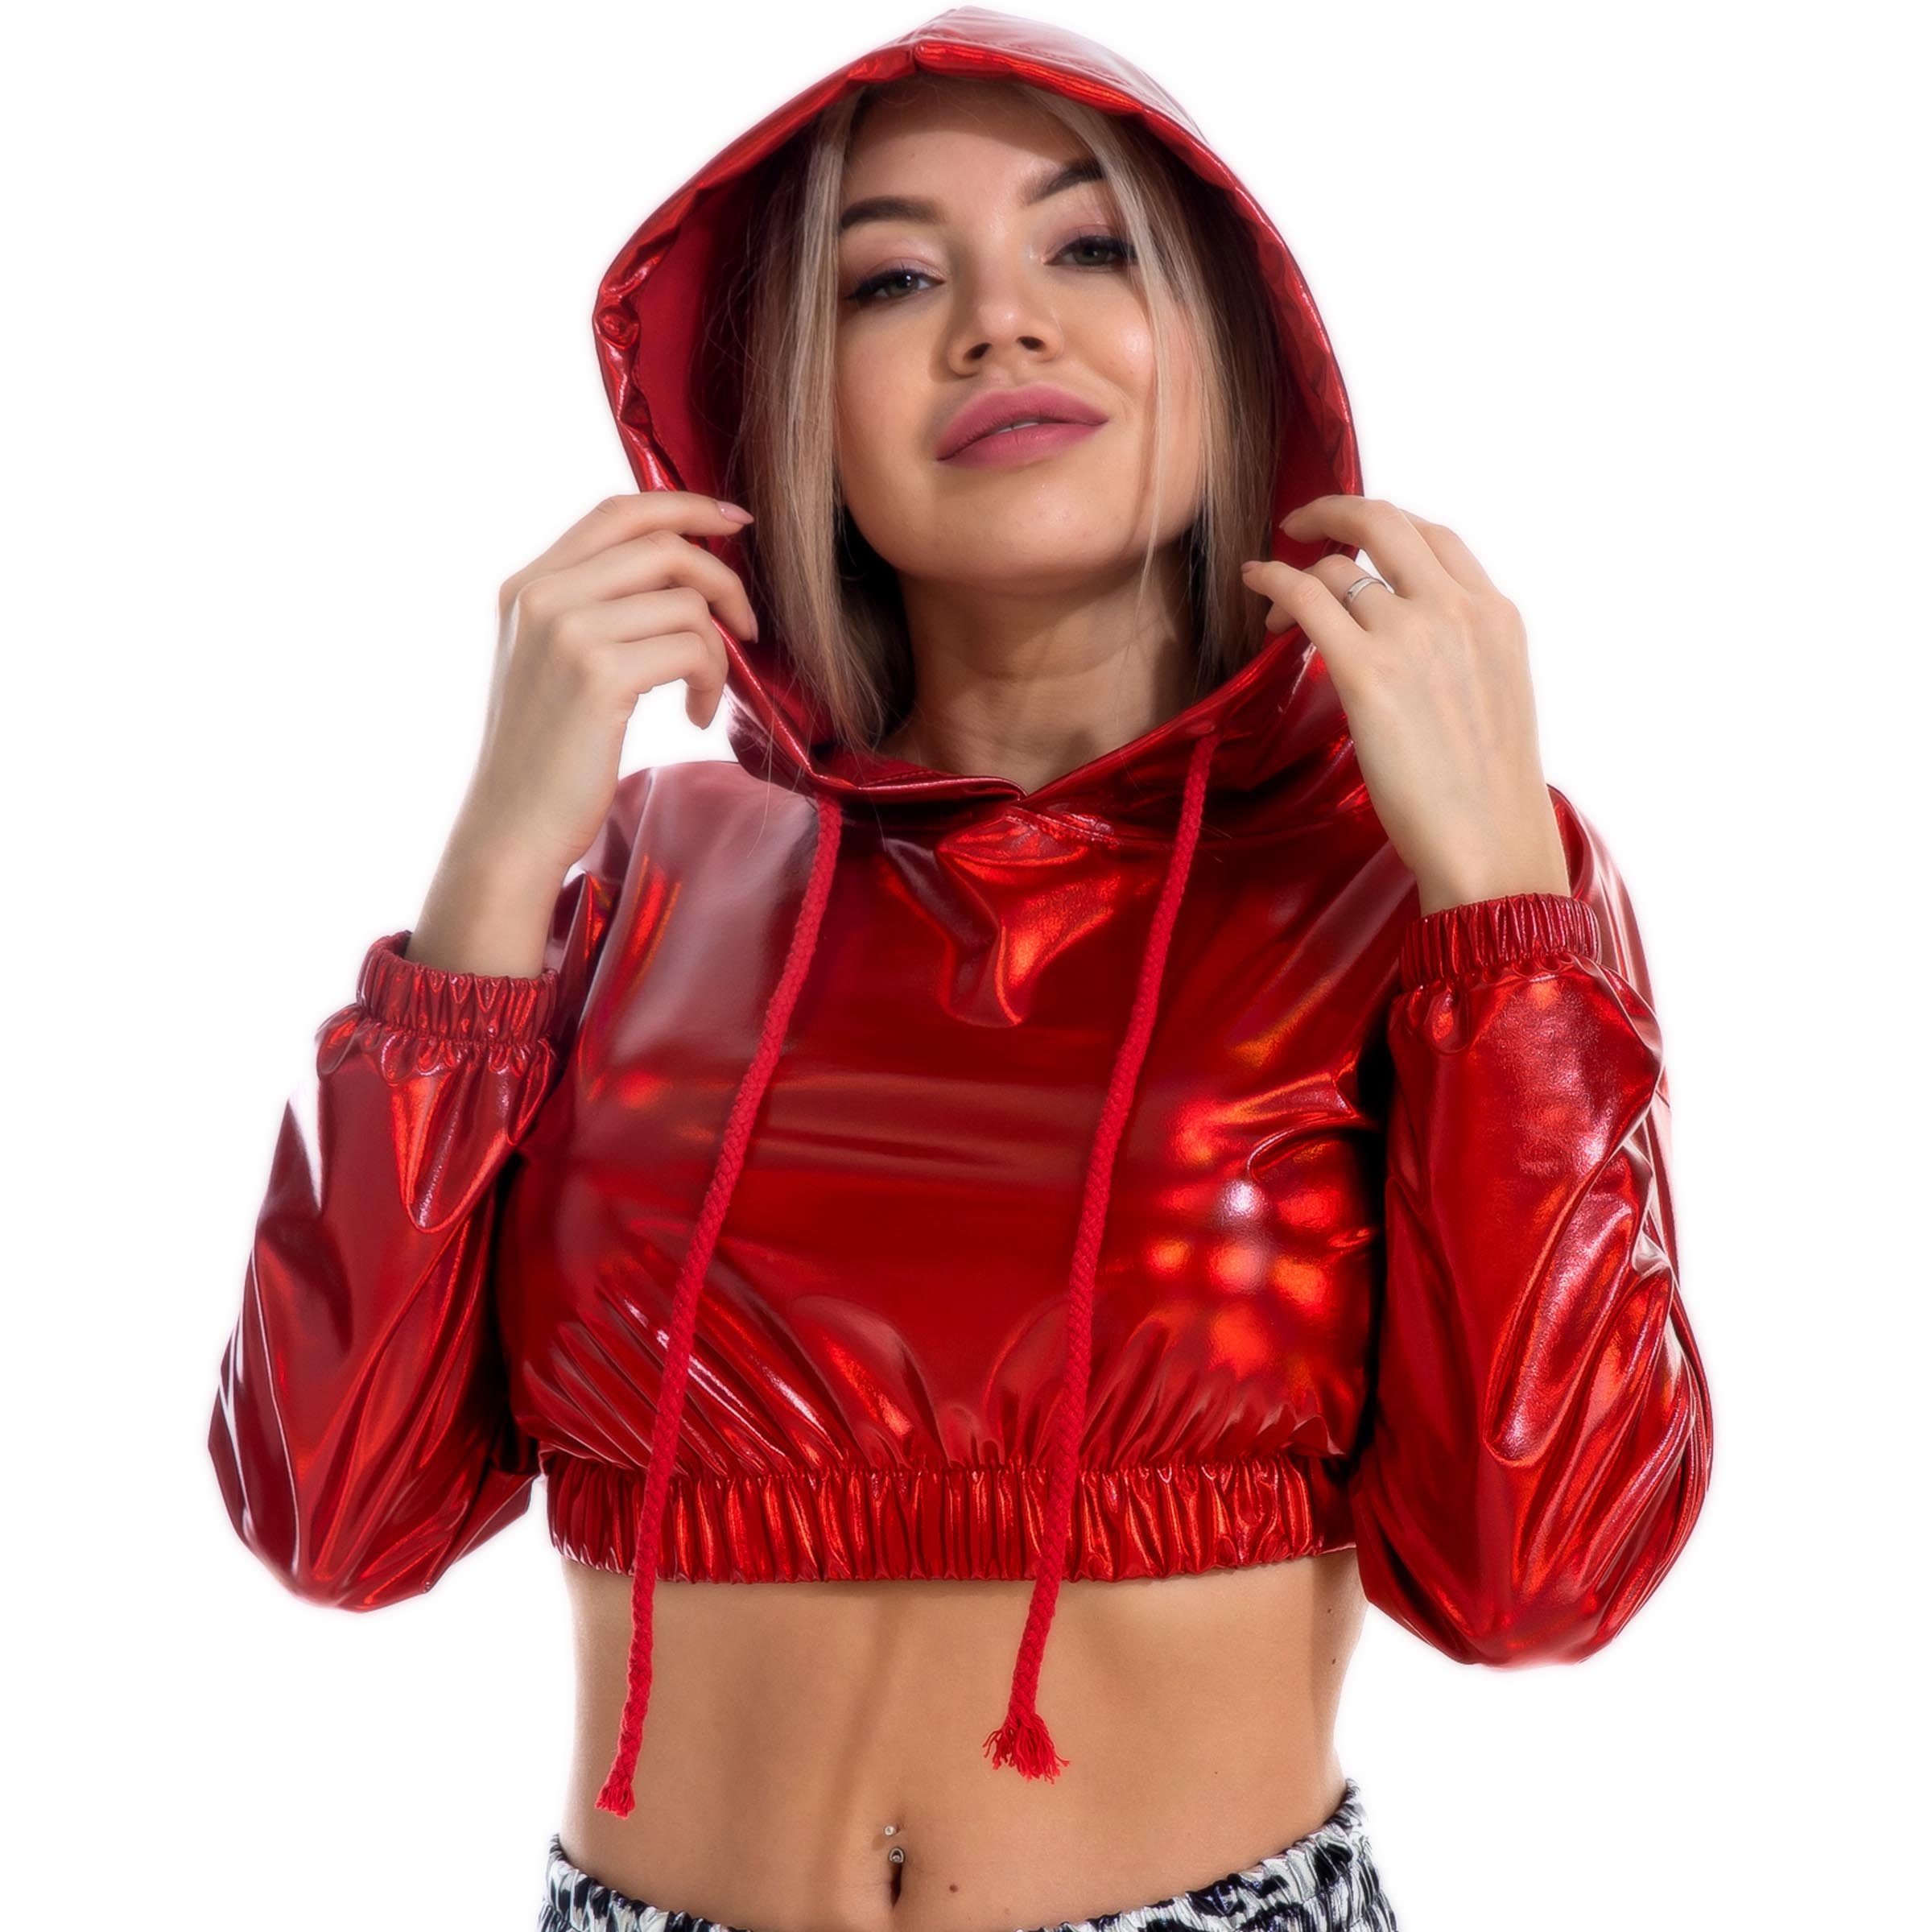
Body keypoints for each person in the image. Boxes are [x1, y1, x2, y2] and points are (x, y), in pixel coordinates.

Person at [206, 10, 1715, 1931]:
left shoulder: (1422, 873)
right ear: (791, 406)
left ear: (1231, 343)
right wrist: (497, 865)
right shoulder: (640, 874)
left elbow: (1543, 1579)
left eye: (1089, 248)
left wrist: (1501, 914)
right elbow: (334, 1518)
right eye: (895, 279)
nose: (1002, 324)